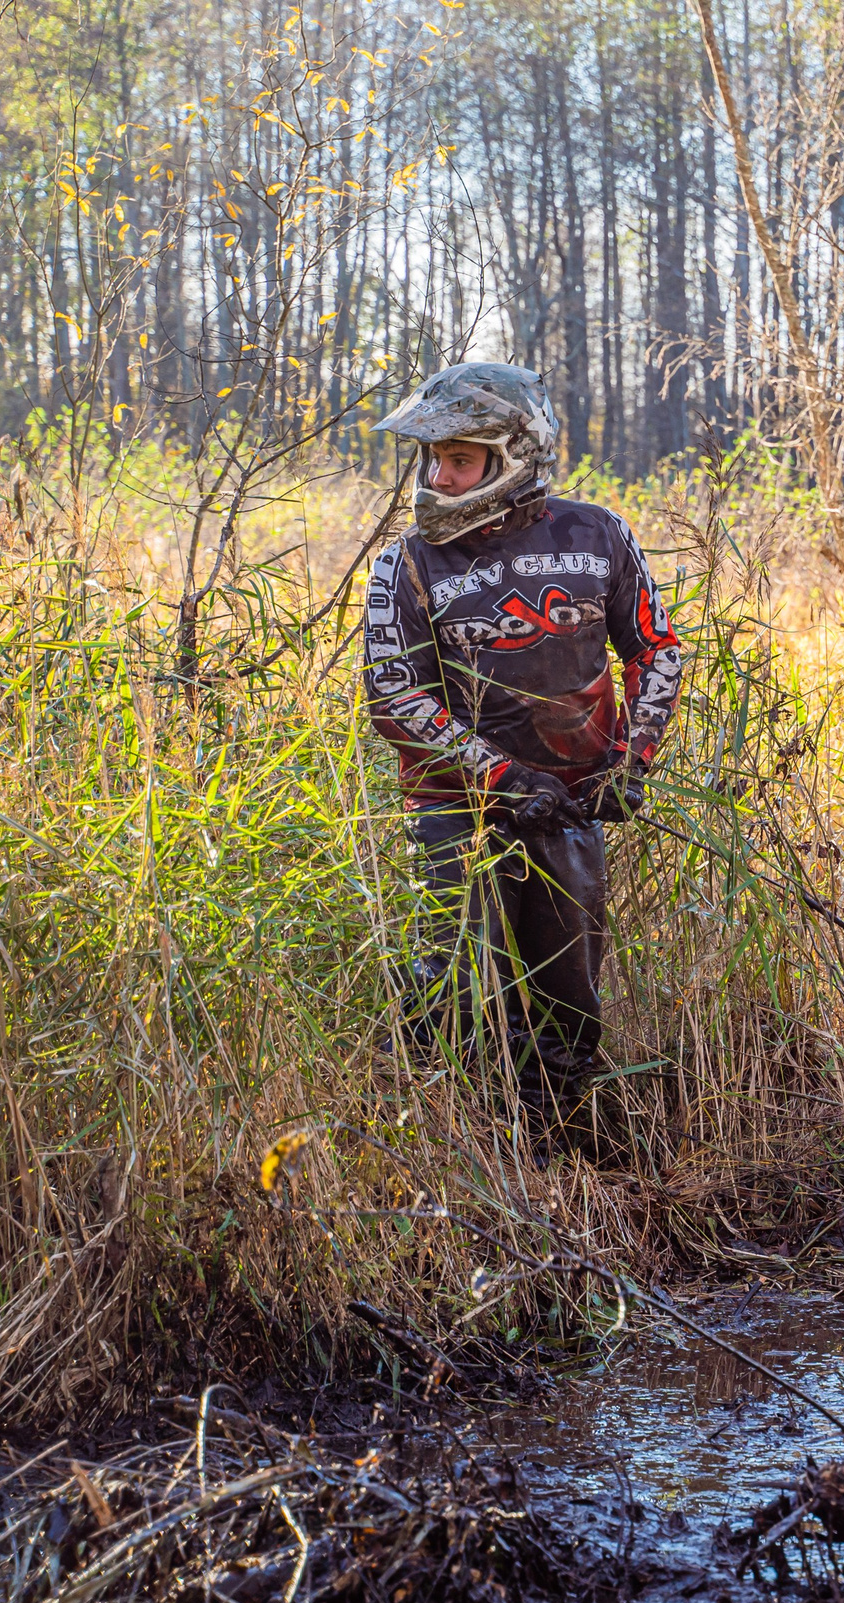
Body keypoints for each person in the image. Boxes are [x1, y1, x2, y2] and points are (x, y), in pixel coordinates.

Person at [362, 361, 683, 1133]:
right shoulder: (404, 563)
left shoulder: (597, 534)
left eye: (460, 459)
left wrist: (631, 764)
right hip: (455, 808)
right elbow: (394, 693)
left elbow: (657, 649)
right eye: (433, 458)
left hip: (572, 805)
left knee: (569, 997)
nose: (440, 474)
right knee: (453, 989)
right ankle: (461, 1144)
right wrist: (500, 774)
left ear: (513, 455)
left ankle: (557, 1144)